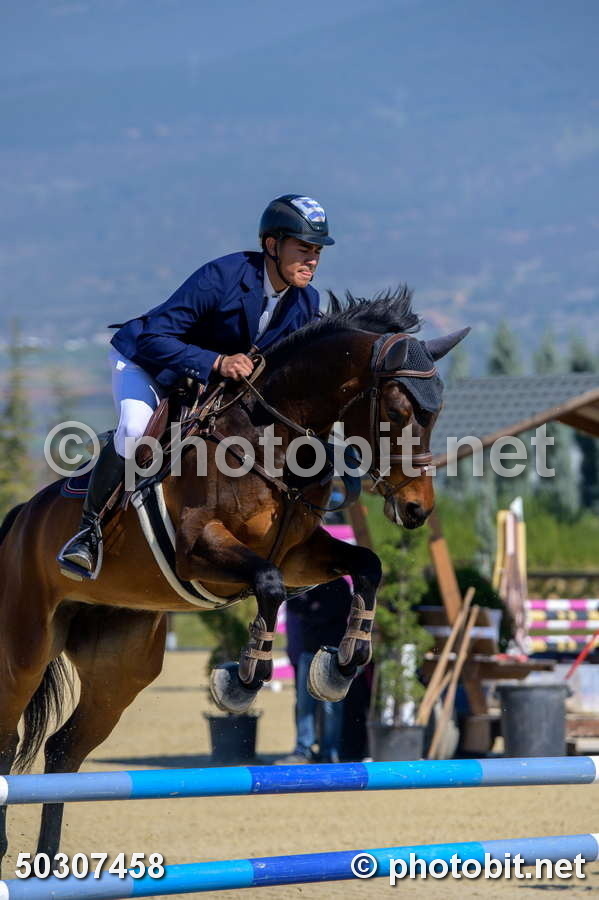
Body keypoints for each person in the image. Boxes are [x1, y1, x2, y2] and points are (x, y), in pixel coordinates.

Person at [57, 194, 335, 579]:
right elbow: (154, 338)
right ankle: (88, 534)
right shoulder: (223, 277)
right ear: (272, 245)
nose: (312, 260)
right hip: (147, 363)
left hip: (206, 384)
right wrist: (217, 362)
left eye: (317, 251)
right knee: (135, 432)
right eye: (303, 249)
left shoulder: (305, 301)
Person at [277, 578, 353, 764]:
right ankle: (304, 749)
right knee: (305, 705)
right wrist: (314, 610)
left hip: (332, 653)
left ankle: (329, 751)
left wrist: (311, 611)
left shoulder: (339, 585)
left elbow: (331, 612)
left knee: (331, 706)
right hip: (308, 651)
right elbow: (295, 605)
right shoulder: (307, 583)